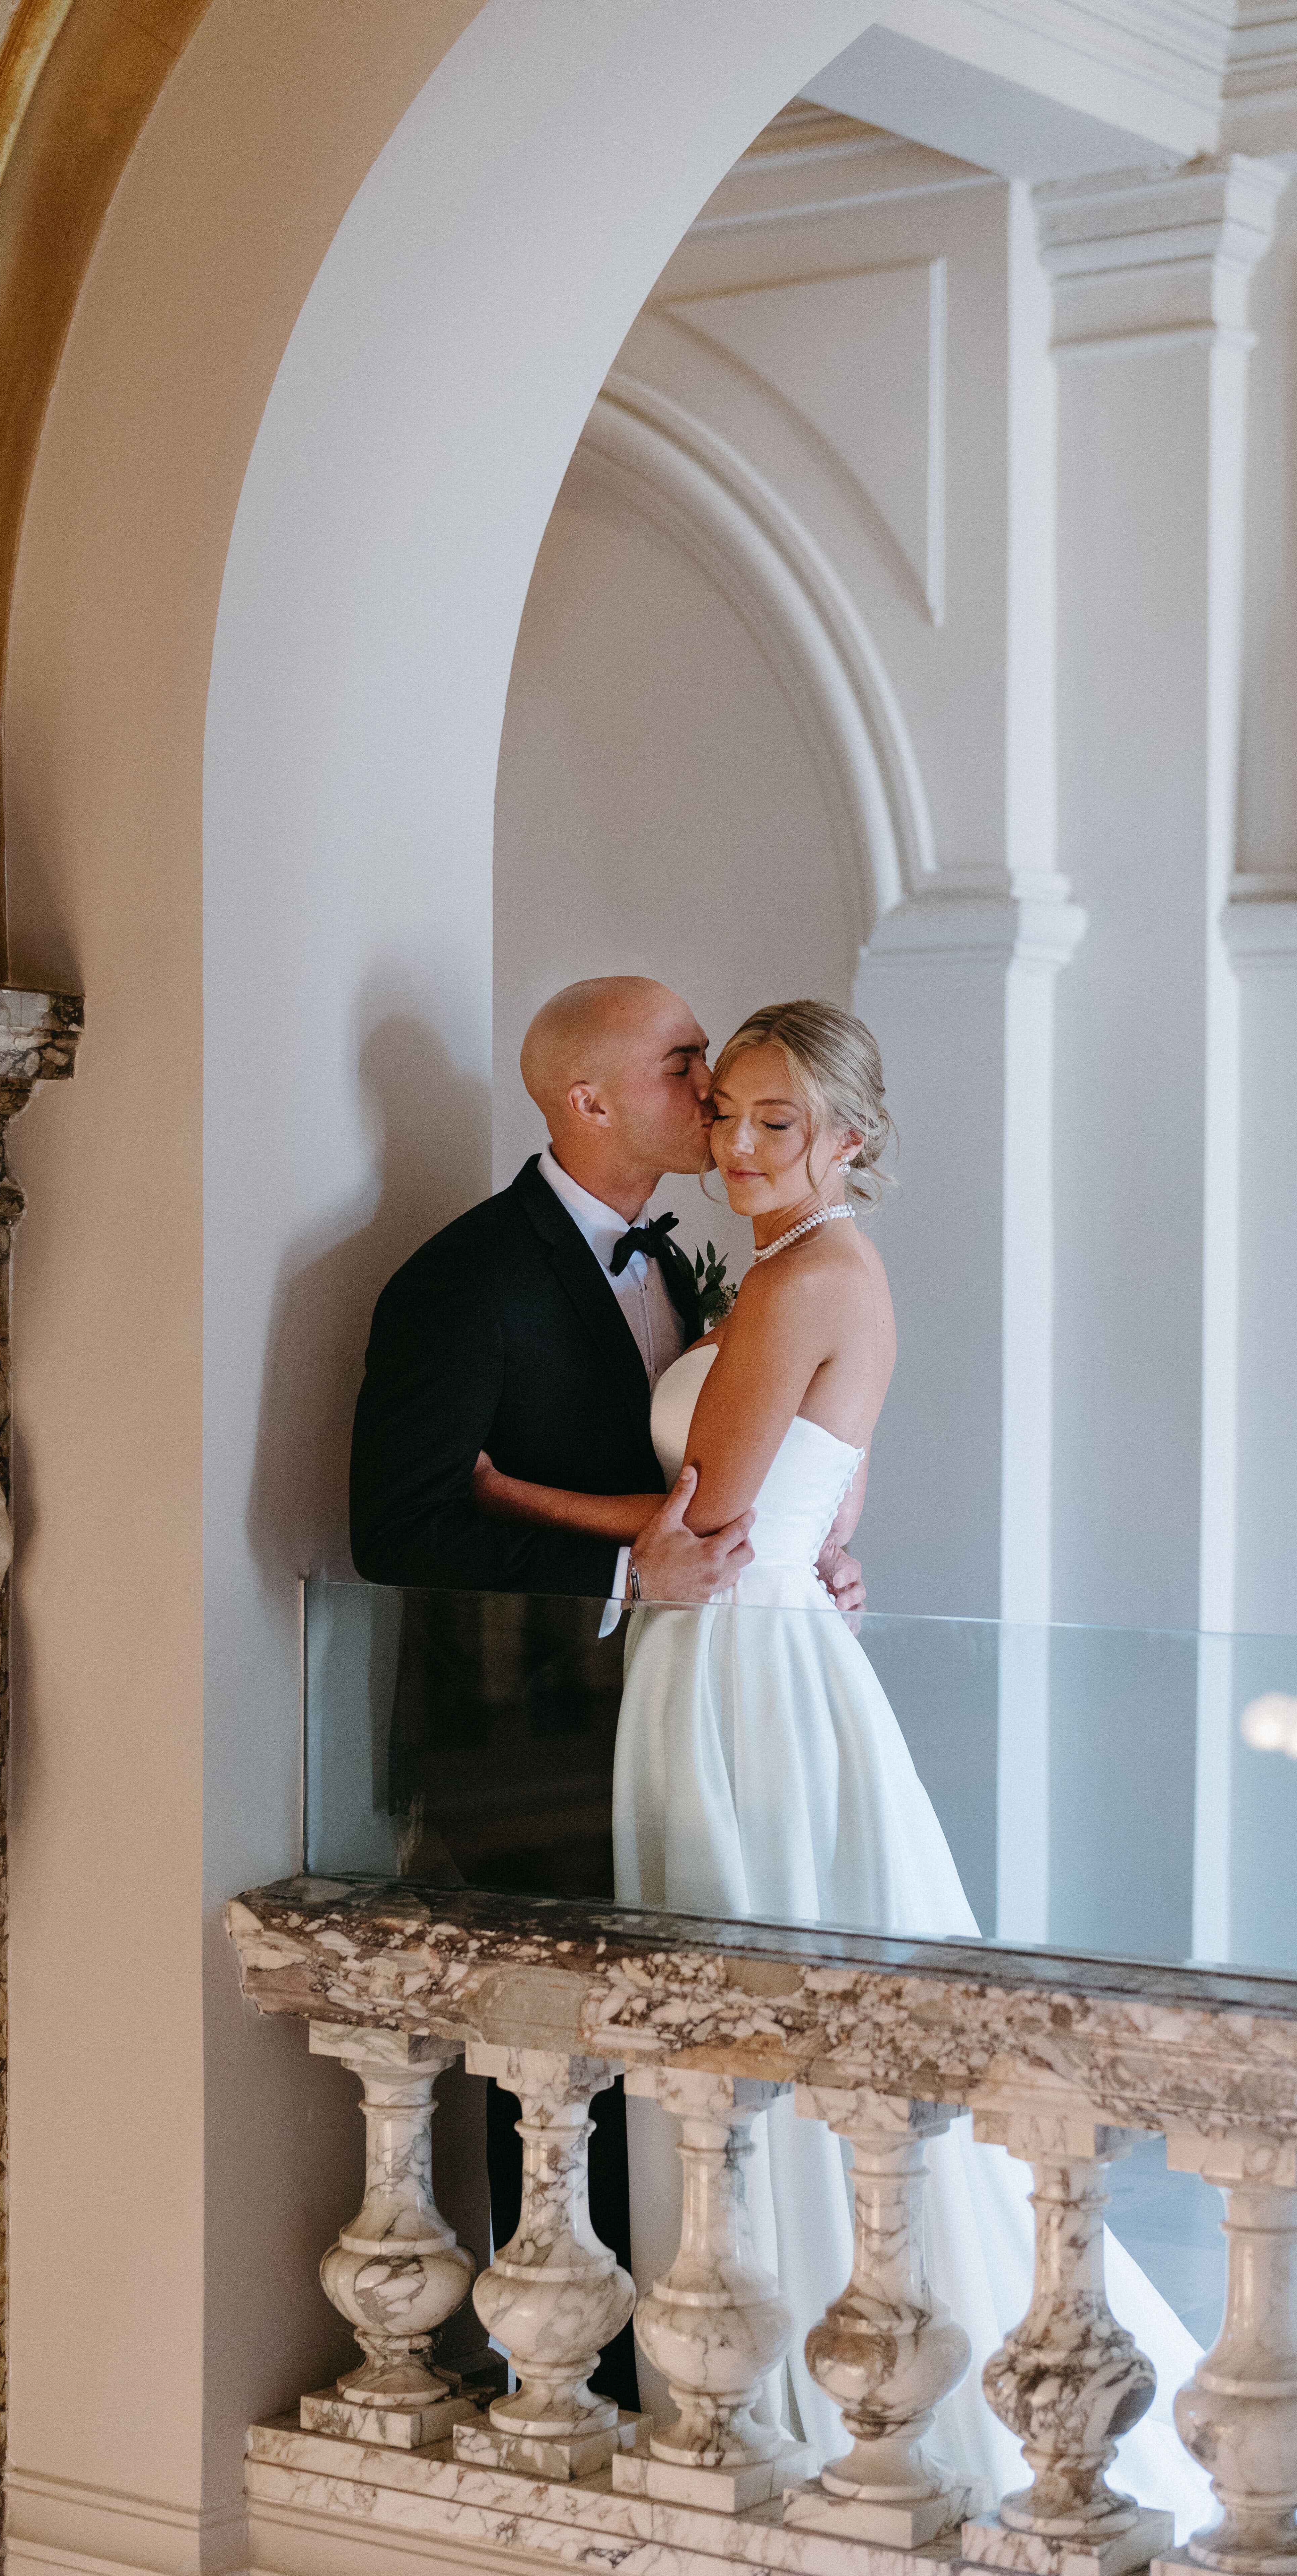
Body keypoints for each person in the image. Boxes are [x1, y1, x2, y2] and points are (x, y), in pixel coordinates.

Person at [471, 998, 1297, 2550]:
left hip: (735, 1670)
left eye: (782, 1121)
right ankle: (762, 2343)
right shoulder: (798, 1272)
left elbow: (706, 1506)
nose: (744, 1143)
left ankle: (784, 2377)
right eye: (731, 1115)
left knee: (741, 2001)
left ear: (850, 1141)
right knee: (741, 1996)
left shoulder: (810, 1272)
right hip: (743, 1648)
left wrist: (504, 1488)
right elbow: (824, 1518)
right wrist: (799, 1551)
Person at [348, 976, 864, 2407]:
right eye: (685, 1064)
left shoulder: (701, 1257)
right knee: (575, 2095)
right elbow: (396, 1529)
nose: (709, 1093)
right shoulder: (462, 1278)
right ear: (589, 1101)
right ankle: (600, 2389)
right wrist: (636, 1577)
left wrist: (801, 1549)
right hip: (532, 1744)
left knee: (698, 2074)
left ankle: (714, 2375)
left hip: (693, 1713)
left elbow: (717, 1489)